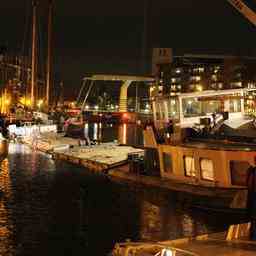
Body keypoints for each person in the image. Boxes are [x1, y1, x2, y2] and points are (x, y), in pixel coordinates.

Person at [247, 166, 256, 240]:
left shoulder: (252, 171)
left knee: (253, 218)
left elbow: (249, 185)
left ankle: (253, 235)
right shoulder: (252, 171)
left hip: (252, 198)